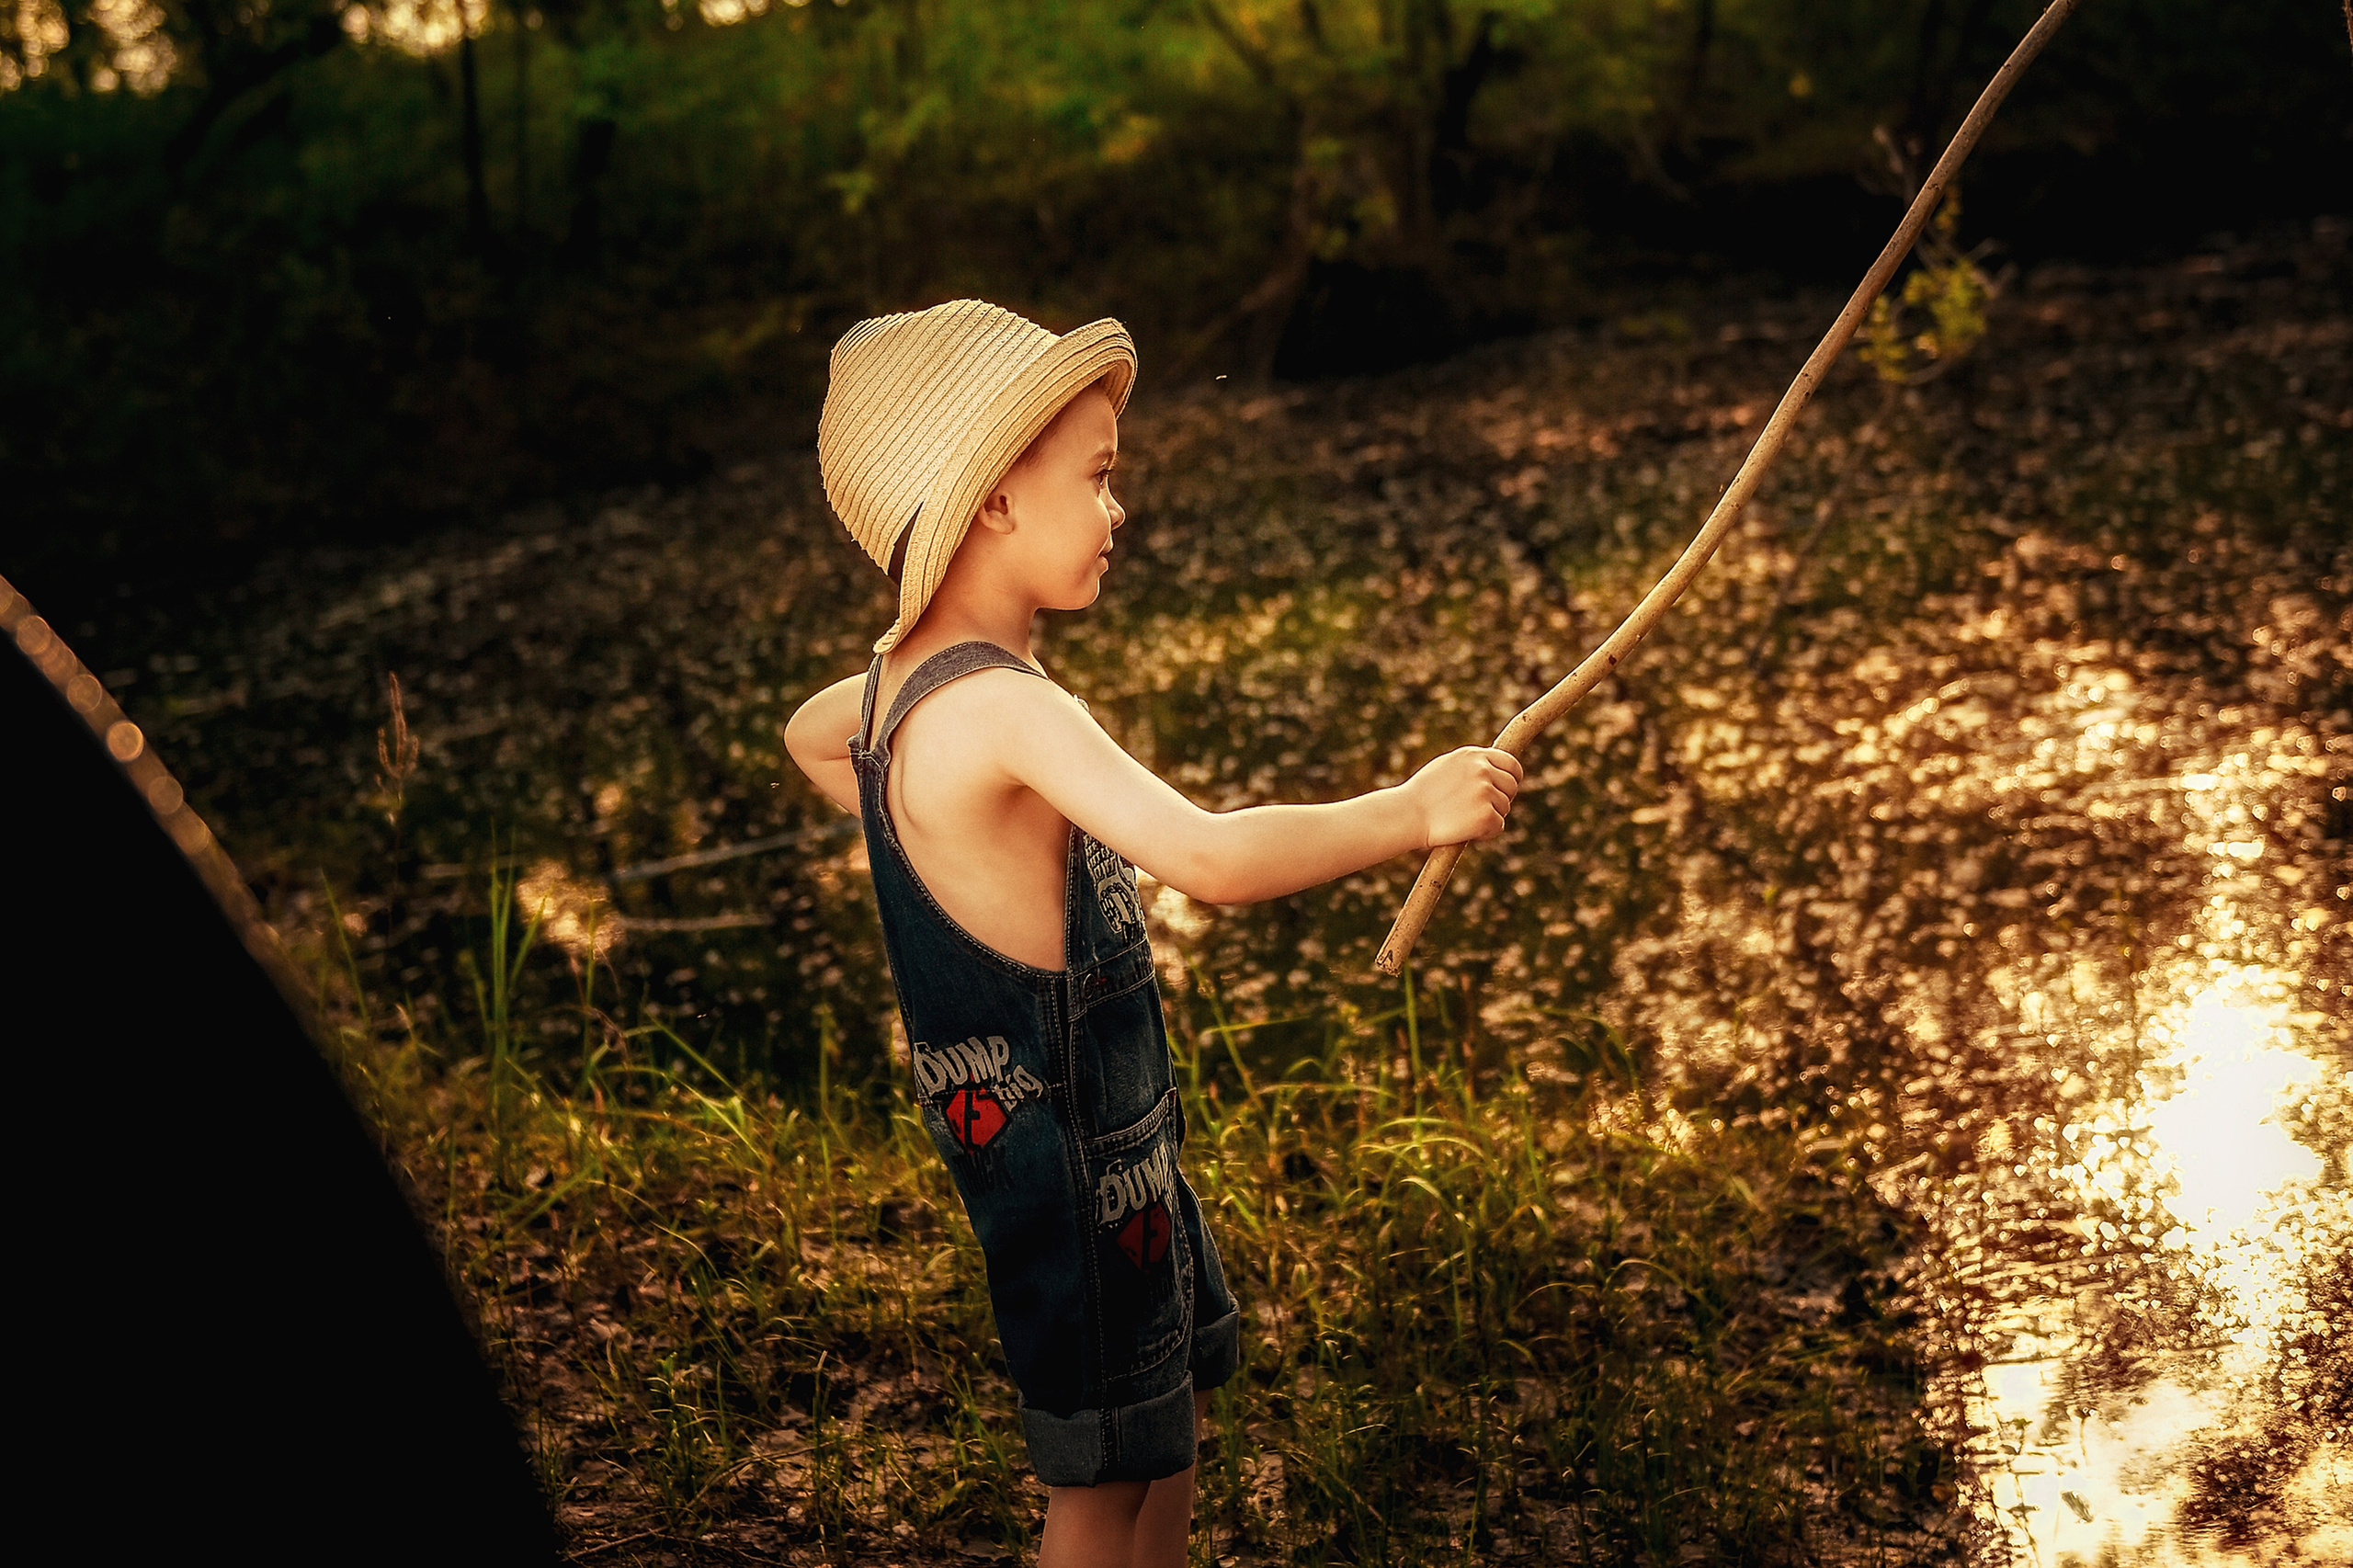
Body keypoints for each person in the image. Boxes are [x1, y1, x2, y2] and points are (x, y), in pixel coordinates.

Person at [784, 300, 1521, 1567]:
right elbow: (1212, 855)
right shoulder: (1010, 713)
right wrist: (1409, 809)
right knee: (1099, 1486)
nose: (1119, 508)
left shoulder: (901, 700)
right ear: (996, 505)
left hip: (1106, 1148)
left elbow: (814, 736)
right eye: (1099, 476)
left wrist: (935, 827)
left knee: (1164, 1421)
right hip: (1073, 1164)